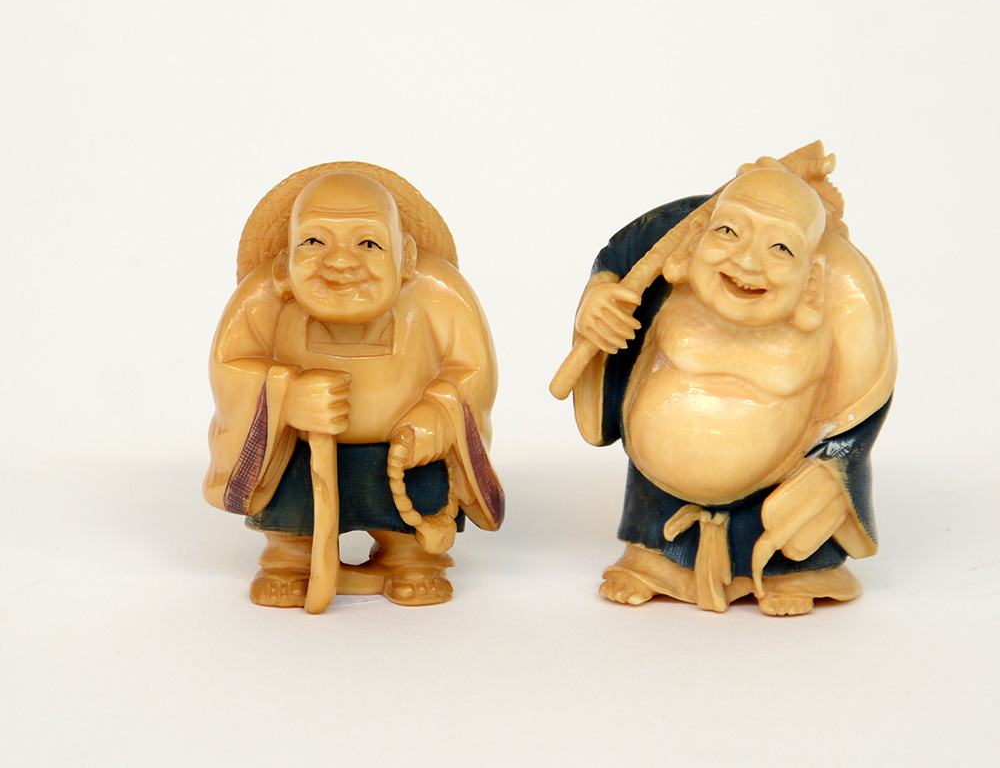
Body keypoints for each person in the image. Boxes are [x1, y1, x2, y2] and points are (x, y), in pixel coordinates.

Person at [569, 146, 895, 615]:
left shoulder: (841, 304)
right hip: (659, 482)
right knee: (655, 523)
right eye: (728, 232)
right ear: (693, 244)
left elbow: (862, 405)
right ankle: (658, 560)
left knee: (795, 517)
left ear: (811, 280)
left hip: (776, 480)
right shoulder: (673, 259)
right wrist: (599, 297)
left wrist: (832, 466)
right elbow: (617, 258)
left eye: (780, 248)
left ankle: (792, 571)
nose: (747, 262)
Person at [204, 164, 503, 610]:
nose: (340, 262)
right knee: (291, 501)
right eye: (314, 241)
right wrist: (285, 395)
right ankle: (290, 558)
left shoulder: (439, 292)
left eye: (368, 243)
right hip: (299, 448)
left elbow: (473, 369)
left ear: (406, 256)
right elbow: (229, 364)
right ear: (285, 257)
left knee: (417, 492)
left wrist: (436, 417)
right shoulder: (264, 294)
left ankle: (410, 557)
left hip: (401, 450)